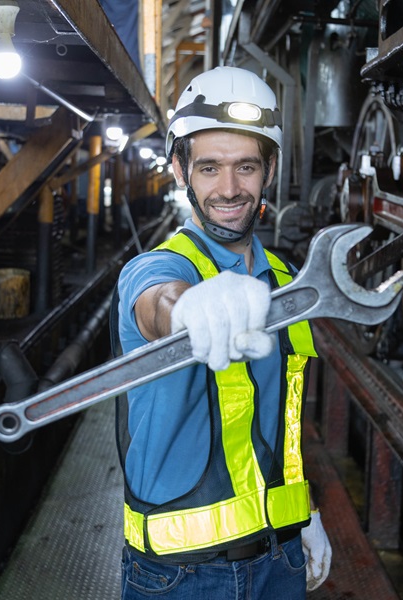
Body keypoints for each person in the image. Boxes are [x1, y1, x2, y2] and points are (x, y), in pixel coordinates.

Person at [115, 66, 332, 599]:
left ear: (270, 170)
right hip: (179, 577)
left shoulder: (284, 281)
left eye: (246, 167)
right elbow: (158, 302)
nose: (229, 189)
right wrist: (190, 309)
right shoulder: (160, 268)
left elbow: (280, 421)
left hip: (279, 558)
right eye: (209, 167)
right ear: (180, 170)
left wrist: (306, 511)